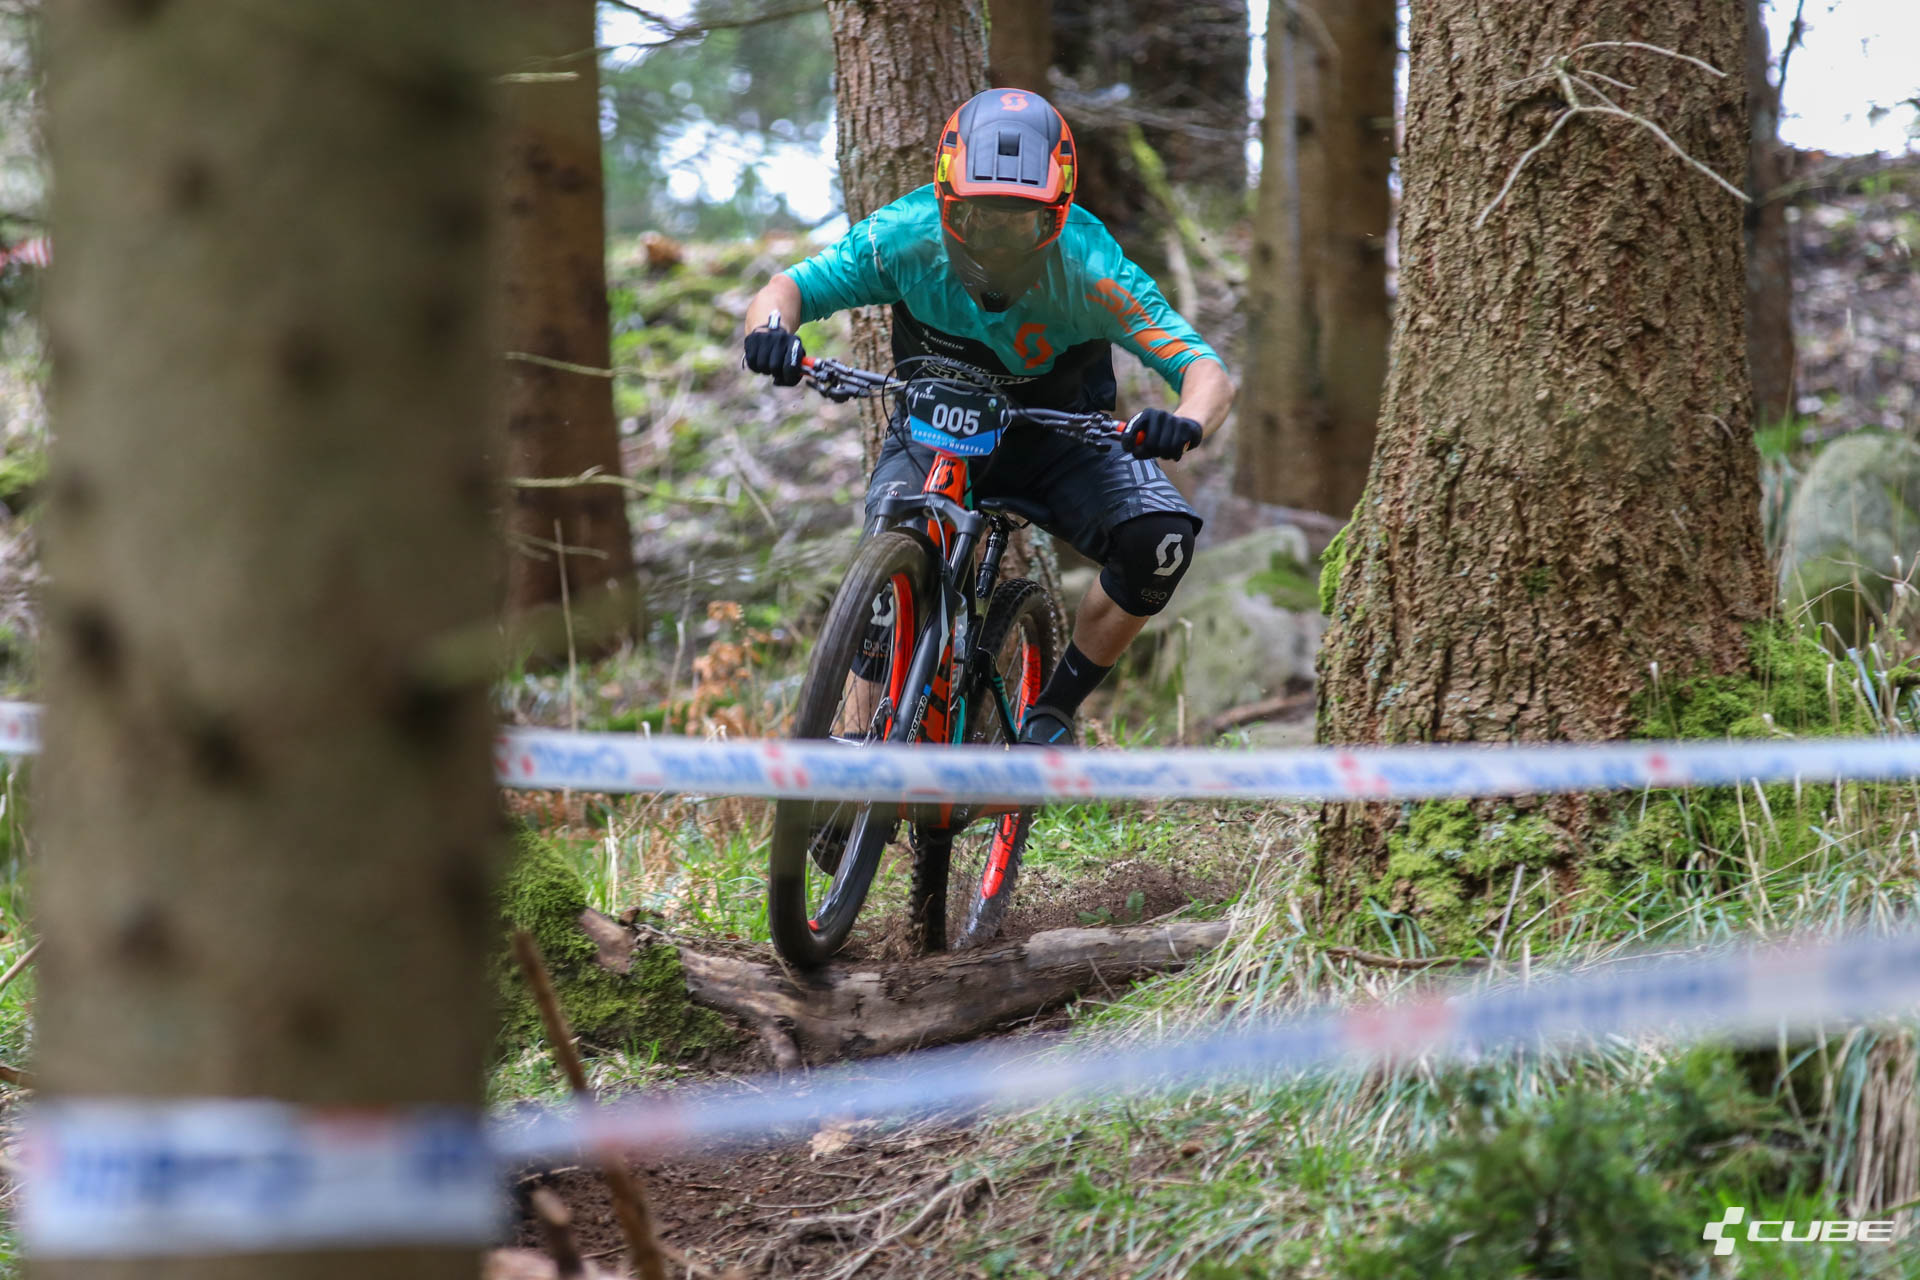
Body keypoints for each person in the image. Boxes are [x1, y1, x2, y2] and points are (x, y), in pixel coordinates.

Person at [741, 88, 1235, 746]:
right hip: (933, 430)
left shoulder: (1091, 268)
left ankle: (1053, 715)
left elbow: (1204, 371)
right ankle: (852, 751)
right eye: (981, 216)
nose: (999, 236)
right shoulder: (904, 238)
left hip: (1059, 440)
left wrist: (1188, 423)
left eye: (1020, 219)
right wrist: (773, 332)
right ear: (947, 200)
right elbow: (788, 289)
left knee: (1162, 544)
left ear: (1056, 213)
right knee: (886, 566)